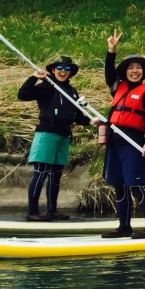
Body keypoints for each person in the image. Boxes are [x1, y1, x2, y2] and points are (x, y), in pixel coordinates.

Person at [99, 29, 145, 239]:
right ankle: (124, 226)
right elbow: (109, 73)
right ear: (125, 71)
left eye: (138, 68)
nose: (134, 71)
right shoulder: (118, 87)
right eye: (131, 68)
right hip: (114, 142)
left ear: (143, 72)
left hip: (134, 142)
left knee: (136, 183)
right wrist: (111, 51)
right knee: (118, 184)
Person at [17, 55, 93, 221]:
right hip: (47, 134)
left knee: (56, 174)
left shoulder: (72, 92)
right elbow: (23, 95)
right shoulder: (47, 87)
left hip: (64, 135)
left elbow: (77, 117)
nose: (63, 71)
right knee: (41, 172)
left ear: (70, 72)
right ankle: (32, 211)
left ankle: (52, 210)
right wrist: (33, 78)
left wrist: (91, 121)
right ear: (53, 70)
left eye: (66, 69)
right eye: (59, 68)